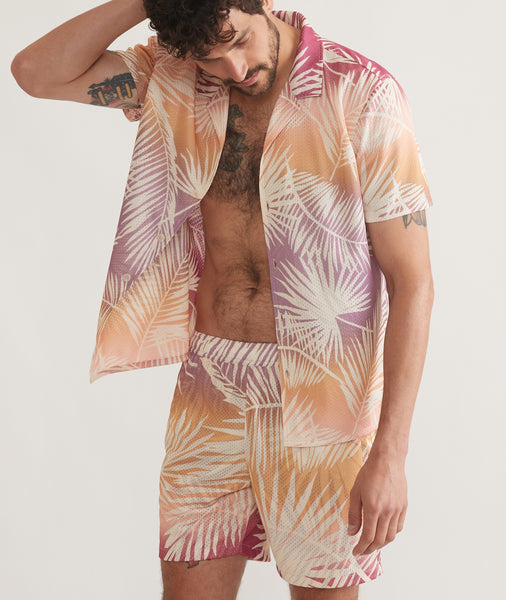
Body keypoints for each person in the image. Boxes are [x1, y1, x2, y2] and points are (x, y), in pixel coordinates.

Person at [11, 1, 434, 598]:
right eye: (209, 56)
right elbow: (35, 73)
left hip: (326, 400)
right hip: (212, 387)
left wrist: (390, 454)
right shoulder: (173, 79)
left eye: (238, 39)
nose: (234, 68)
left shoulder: (362, 92)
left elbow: (413, 281)